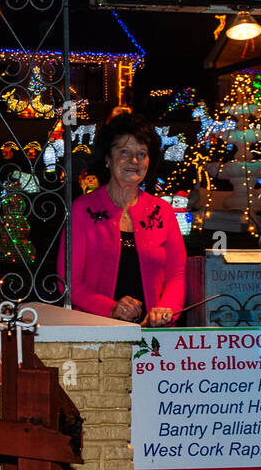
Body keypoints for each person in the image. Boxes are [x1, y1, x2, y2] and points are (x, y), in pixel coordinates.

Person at [57, 113, 187, 324]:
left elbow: (177, 275)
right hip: (96, 333)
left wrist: (166, 310)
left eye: (141, 153)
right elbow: (68, 281)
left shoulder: (163, 211)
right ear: (108, 158)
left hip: (153, 338)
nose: (134, 161)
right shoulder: (82, 209)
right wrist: (111, 309)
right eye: (124, 152)